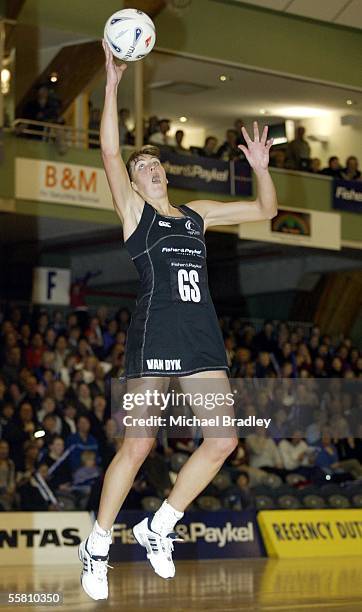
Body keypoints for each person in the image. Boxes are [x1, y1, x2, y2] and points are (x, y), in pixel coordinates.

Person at [77, 39, 278, 602]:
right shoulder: (136, 215)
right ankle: (97, 543)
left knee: (223, 440)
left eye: (155, 162)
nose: (149, 167)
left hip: (201, 336)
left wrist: (261, 170)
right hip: (156, 332)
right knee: (138, 444)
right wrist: (113, 85)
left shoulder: (196, 216)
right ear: (136, 186)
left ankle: (159, 524)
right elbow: (111, 156)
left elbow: (266, 211)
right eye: (142, 166)